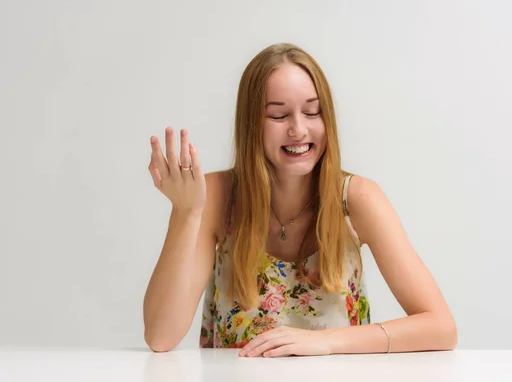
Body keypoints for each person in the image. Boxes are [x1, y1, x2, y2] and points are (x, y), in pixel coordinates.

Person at [143, 43, 457, 357]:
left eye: (312, 112)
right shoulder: (216, 197)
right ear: (252, 125)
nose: (298, 129)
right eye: (278, 115)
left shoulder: (358, 198)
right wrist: (186, 212)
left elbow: (441, 327)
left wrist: (325, 341)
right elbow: (160, 337)